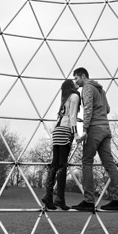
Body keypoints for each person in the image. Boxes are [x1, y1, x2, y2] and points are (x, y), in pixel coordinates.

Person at [70, 67, 118, 211]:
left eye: (76, 78)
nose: (75, 82)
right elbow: (107, 109)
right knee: (109, 164)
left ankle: (89, 200)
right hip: (105, 129)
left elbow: (88, 108)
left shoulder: (87, 88)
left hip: (94, 129)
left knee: (86, 161)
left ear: (83, 76)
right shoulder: (100, 89)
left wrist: (85, 129)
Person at [42, 79, 82, 210]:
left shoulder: (64, 99)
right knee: (62, 165)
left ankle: (48, 196)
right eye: (74, 82)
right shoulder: (75, 96)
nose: (76, 83)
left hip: (57, 131)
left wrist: (76, 118)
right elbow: (70, 117)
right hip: (66, 132)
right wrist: (76, 134)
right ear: (71, 86)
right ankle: (60, 198)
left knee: (55, 163)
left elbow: (65, 115)